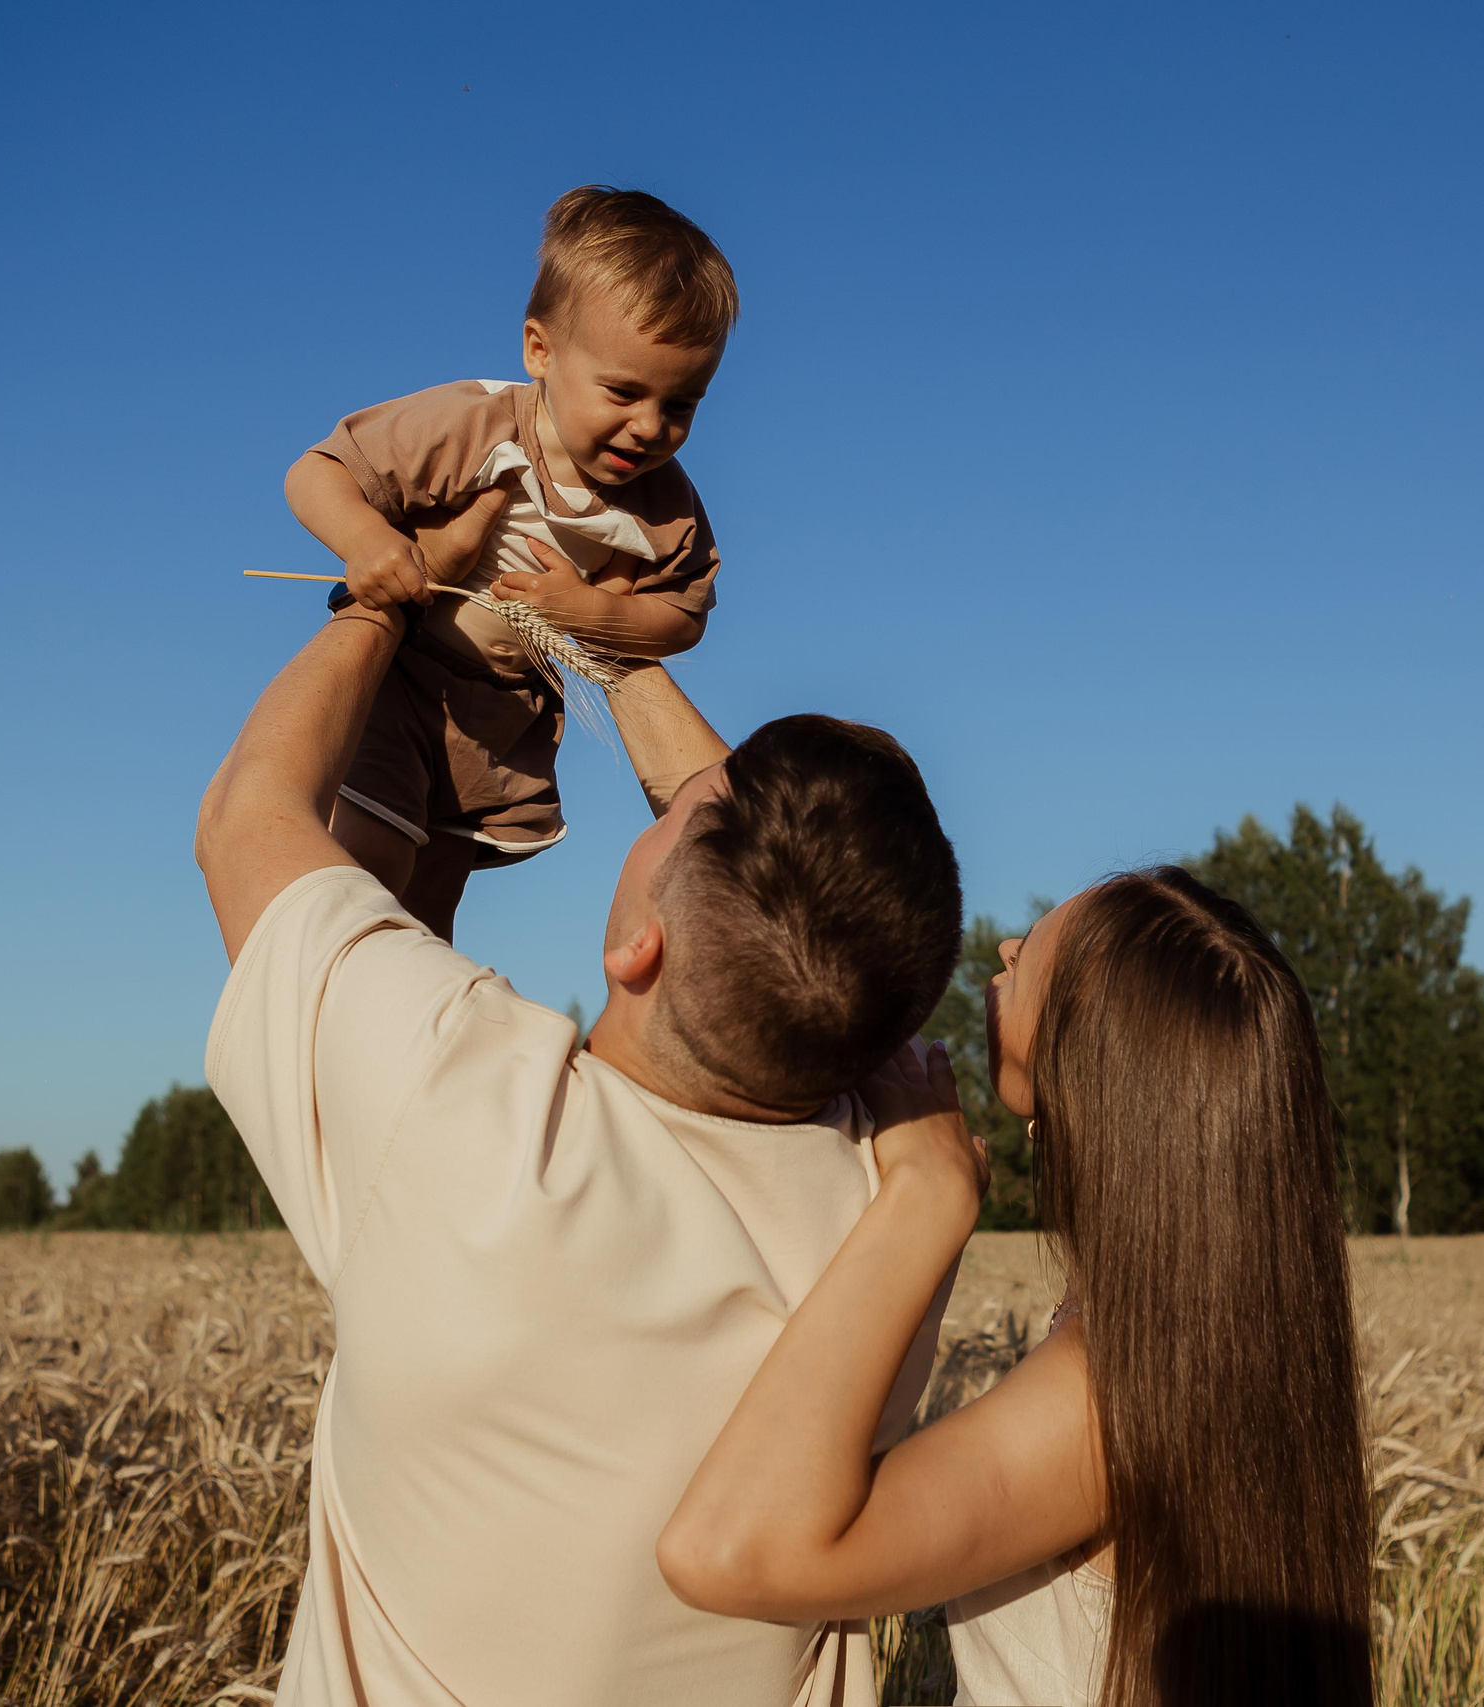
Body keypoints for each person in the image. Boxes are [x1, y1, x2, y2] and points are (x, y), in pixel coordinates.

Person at [191, 496, 966, 1707]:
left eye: (678, 827)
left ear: (638, 947)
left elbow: (248, 816)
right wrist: (589, 636)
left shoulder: (453, 1098)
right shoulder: (891, 1211)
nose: (672, 808)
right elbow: (809, 900)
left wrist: (378, 603)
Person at [661, 868, 1375, 1707]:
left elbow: (729, 1548)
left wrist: (929, 1194)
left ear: (1092, 1052)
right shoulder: (1219, 1338)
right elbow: (799, 875)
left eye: (1032, 947)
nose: (1004, 946)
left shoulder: (1103, 1401)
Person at [282, 184, 737, 939]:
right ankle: (333, 1003)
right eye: (623, 392)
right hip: (405, 681)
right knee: (371, 863)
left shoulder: (664, 506)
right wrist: (367, 541)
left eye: (681, 405)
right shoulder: (477, 425)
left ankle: (412, 1038)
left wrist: (601, 615)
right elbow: (318, 471)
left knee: (433, 902)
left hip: (503, 718)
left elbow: (684, 614)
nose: (649, 427)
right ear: (540, 351)